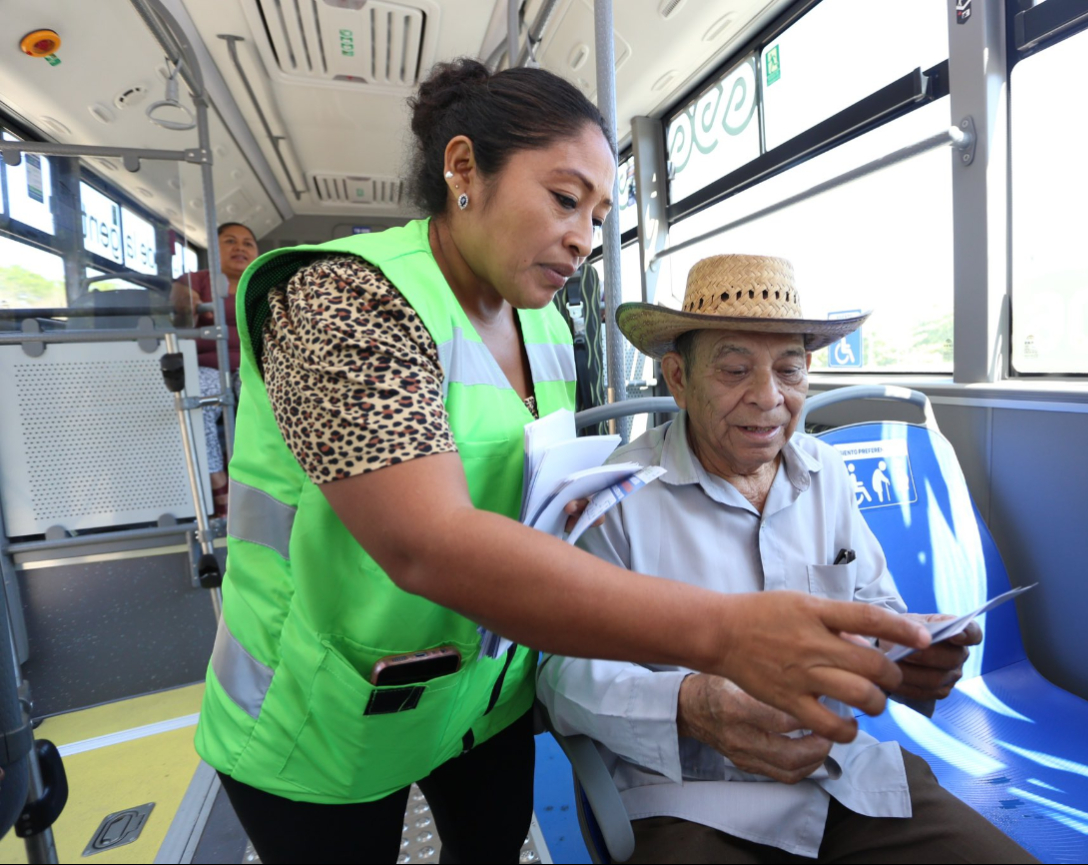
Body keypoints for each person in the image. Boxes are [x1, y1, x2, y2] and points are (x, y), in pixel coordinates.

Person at [193, 61, 932, 864]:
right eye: (564, 198)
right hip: (321, 710)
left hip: (478, 697)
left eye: (600, 212)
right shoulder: (342, 299)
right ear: (465, 169)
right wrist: (723, 632)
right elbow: (425, 541)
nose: (585, 236)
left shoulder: (544, 326)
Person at [538, 254, 1037, 863]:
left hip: (841, 778)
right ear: (677, 378)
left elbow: (872, 605)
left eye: (789, 370)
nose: (769, 398)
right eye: (734, 370)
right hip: (688, 800)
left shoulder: (827, 474)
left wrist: (906, 651)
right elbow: (561, 675)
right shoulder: (614, 497)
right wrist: (692, 706)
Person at [171, 222, 257, 515]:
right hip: (207, 365)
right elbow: (179, 321)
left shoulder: (262, 283)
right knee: (196, 403)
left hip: (252, 367)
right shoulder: (194, 281)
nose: (240, 248)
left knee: (265, 402)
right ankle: (218, 483)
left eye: (247, 244)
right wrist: (186, 303)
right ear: (213, 250)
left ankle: (261, 483)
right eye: (230, 241)